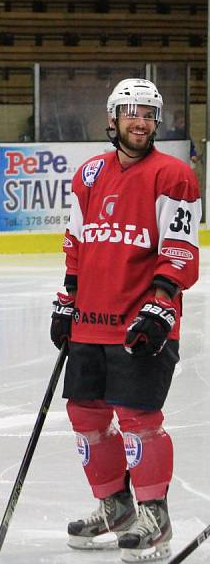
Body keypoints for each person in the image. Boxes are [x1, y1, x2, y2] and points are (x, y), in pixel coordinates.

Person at [50, 78, 200, 562]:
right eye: (132, 112)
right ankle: (114, 505)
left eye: (150, 114)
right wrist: (68, 296)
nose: (141, 122)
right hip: (91, 320)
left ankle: (154, 516)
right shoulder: (90, 174)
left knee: (139, 419)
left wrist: (161, 303)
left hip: (142, 319)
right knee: (85, 415)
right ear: (112, 119)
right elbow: (78, 241)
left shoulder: (173, 175)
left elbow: (179, 248)